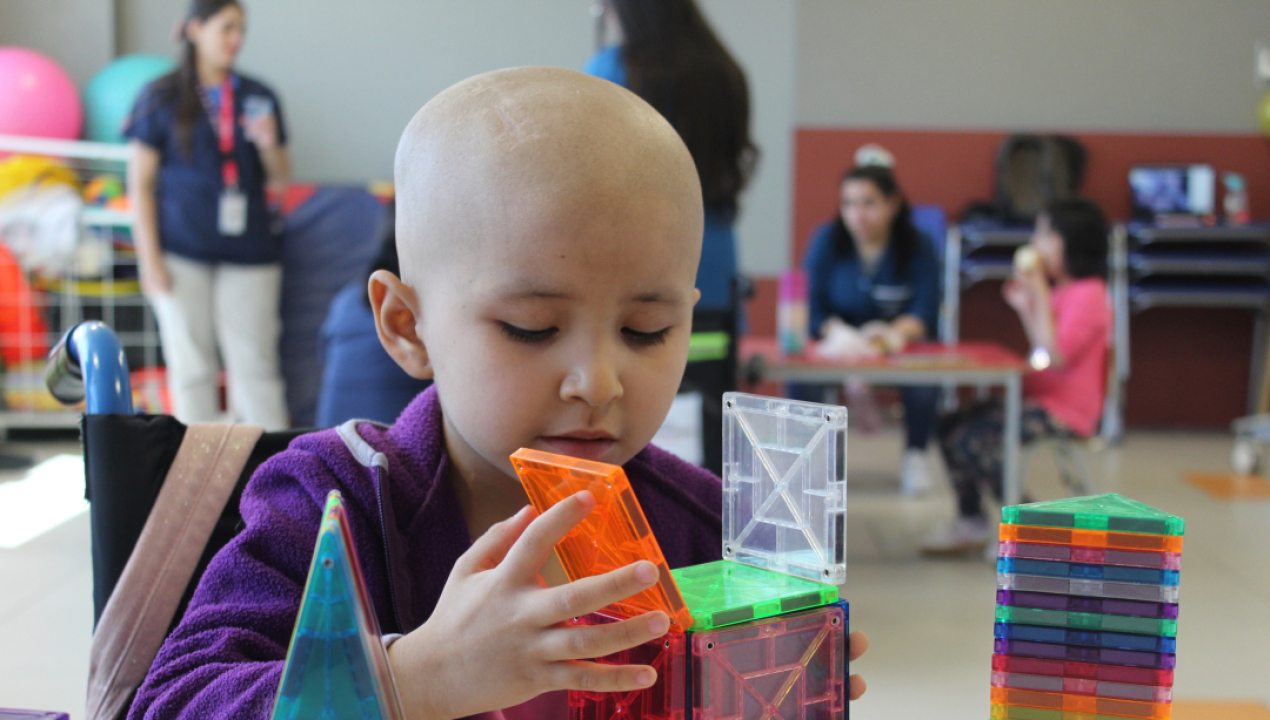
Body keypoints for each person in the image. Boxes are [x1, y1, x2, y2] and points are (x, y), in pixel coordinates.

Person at [127, 68, 867, 719]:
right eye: (530, 328)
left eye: (646, 330)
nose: (598, 382)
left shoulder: (705, 528)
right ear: (407, 326)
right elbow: (172, 702)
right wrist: (414, 681)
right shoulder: (329, 502)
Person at [125, 0, 291, 429]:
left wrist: (268, 144)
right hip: (181, 250)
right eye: (227, 28)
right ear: (195, 29)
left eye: (242, 29)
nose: (236, 39)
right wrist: (149, 260)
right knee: (192, 368)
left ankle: (273, 464)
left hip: (250, 251)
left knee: (255, 367)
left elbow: (280, 179)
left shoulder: (258, 95)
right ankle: (198, 466)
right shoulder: (160, 96)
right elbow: (140, 185)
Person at [923, 197, 1111, 555]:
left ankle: (1031, 527)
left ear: (1071, 242)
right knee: (949, 425)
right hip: (1037, 399)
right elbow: (1043, 345)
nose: (1035, 244)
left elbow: (1056, 355)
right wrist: (1027, 305)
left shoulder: (1090, 294)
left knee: (977, 439)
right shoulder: (1061, 291)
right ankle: (971, 519)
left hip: (1066, 412)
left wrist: (1037, 291)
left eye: (1045, 236)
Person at [584, 0, 757, 312]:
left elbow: (588, 172)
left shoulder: (615, 69)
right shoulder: (726, 72)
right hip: (715, 256)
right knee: (712, 342)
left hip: (639, 258)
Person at [801, 162, 942, 496]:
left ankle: (916, 456)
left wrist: (891, 336)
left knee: (925, 382)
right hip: (838, 346)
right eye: (848, 203)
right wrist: (838, 334)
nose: (857, 215)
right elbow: (812, 309)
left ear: (893, 204)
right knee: (802, 377)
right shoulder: (826, 240)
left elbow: (925, 310)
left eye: (868, 203)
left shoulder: (918, 245)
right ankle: (808, 461)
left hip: (897, 347)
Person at [315, 201, 432, 427]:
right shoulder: (423, 308)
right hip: (380, 444)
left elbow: (325, 357)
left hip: (332, 437)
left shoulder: (347, 300)